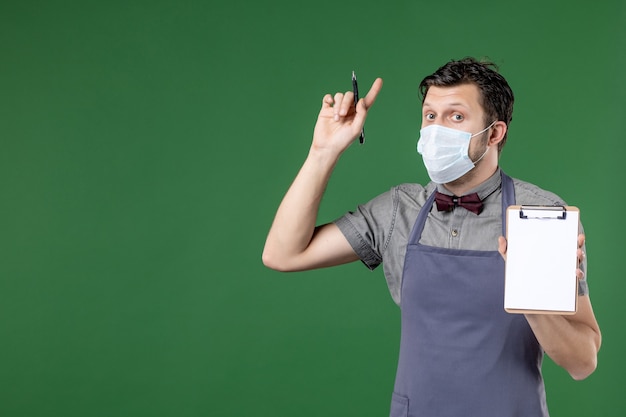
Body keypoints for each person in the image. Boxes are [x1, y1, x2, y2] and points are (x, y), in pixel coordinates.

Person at [262, 57, 601, 416]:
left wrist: (532, 298)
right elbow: (283, 254)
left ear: (495, 133)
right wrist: (323, 152)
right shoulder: (399, 210)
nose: (437, 129)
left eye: (456, 116)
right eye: (430, 116)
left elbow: (583, 362)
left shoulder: (542, 217)